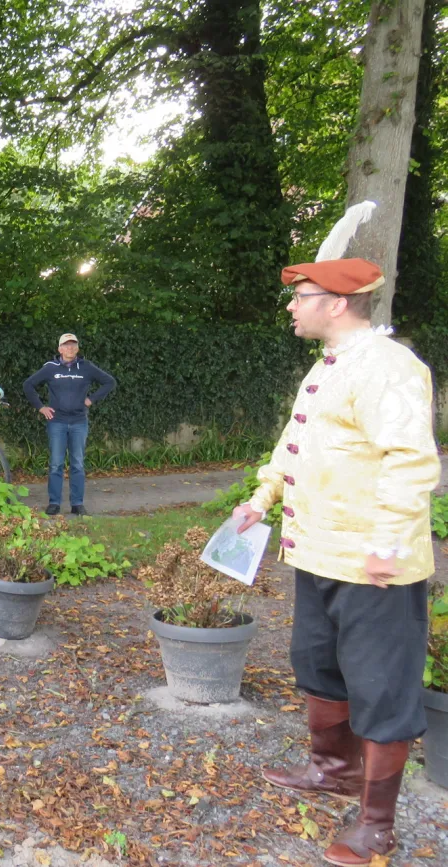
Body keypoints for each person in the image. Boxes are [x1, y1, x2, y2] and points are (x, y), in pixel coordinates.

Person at [238, 218, 439, 867]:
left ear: (337, 303)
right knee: (319, 668)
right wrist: (260, 498)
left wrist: (385, 539)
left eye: (302, 296)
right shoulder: (327, 368)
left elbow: (411, 460)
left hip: (374, 564)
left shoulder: (388, 367)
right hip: (318, 553)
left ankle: (377, 823)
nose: (293, 307)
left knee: (382, 689)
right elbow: (292, 447)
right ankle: (333, 769)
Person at [21, 333, 116, 516]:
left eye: (73, 345)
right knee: (56, 464)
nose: (70, 348)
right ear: (60, 349)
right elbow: (28, 385)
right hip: (57, 422)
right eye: (66, 345)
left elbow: (109, 382)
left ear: (77, 348)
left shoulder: (86, 367)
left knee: (78, 464)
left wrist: (91, 399)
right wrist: (41, 407)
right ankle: (54, 503)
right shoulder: (50, 368)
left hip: (79, 422)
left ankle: (77, 504)